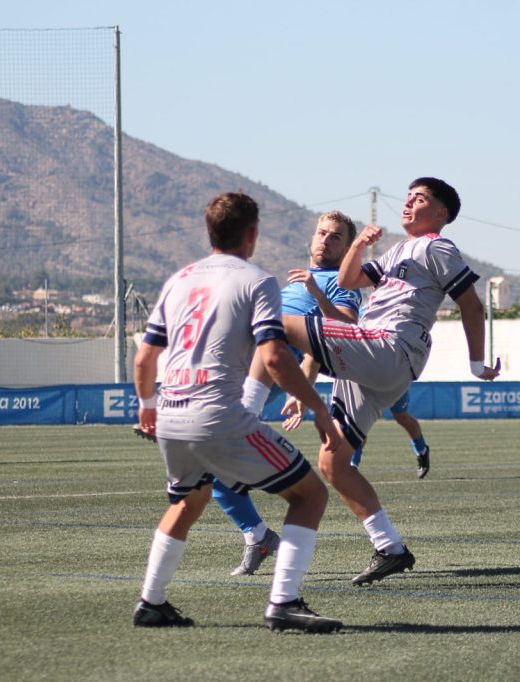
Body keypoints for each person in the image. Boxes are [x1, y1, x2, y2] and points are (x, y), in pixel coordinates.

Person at [131, 192, 343, 633]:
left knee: (188, 501)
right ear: (252, 233)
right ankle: (284, 602)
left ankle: (151, 602)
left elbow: (145, 359)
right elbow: (275, 357)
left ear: (209, 231)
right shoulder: (257, 281)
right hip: (217, 414)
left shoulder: (179, 279)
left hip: (170, 412)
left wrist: (147, 407)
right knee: (310, 495)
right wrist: (319, 409)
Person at [279, 177, 500, 586]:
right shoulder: (397, 250)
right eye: (409, 196)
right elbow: (347, 281)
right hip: (374, 360)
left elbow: (471, 304)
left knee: (273, 323)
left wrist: (475, 363)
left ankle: (242, 409)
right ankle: (390, 548)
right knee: (332, 462)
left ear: (440, 213)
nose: (409, 202)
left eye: (420, 198)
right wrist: (359, 245)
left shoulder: (436, 246)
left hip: (389, 346)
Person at [211, 210, 361, 577]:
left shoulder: (342, 282)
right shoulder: (290, 283)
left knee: (272, 334)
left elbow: (346, 327)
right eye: (322, 233)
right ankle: (258, 536)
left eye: (336, 237)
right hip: (243, 363)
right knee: (212, 472)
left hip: (277, 362)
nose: (325, 240)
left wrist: (316, 292)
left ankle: (245, 416)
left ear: (347, 249)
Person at [349, 389, 431, 478]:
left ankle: (422, 450)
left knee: (402, 417)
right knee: (359, 422)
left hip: (392, 382)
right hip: (365, 384)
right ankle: (352, 466)